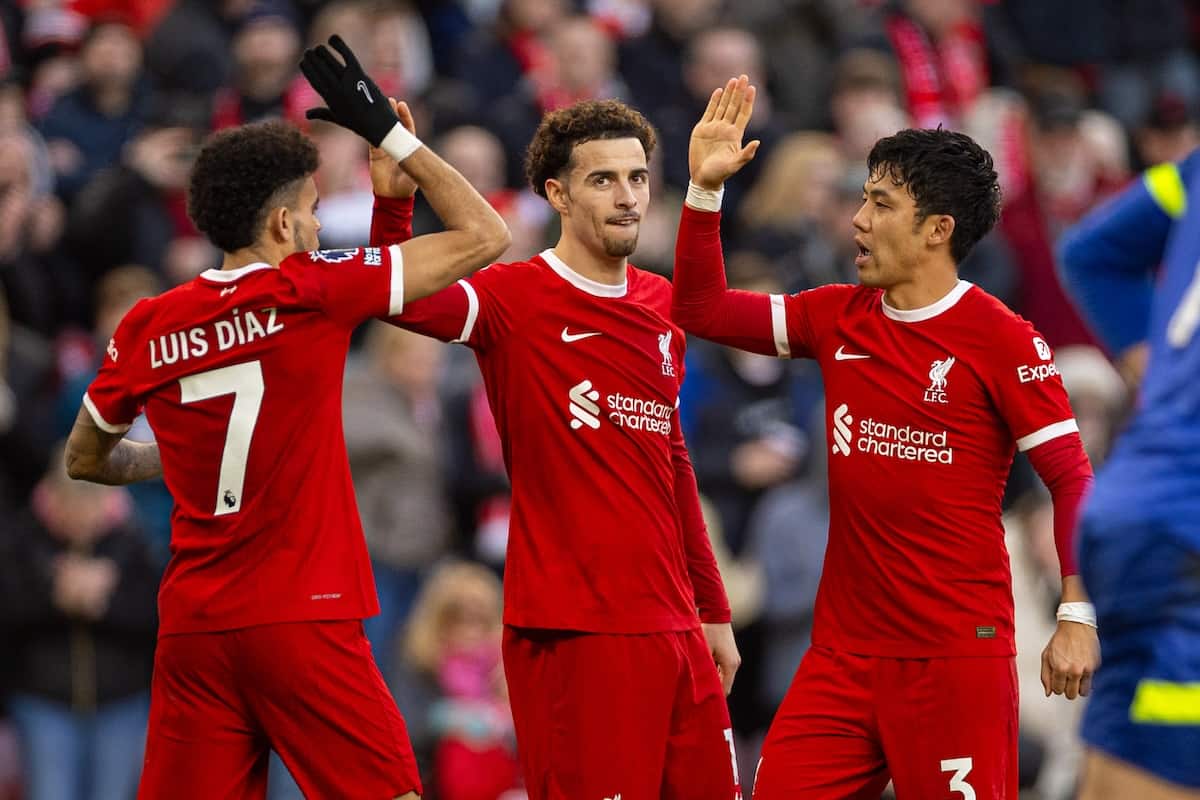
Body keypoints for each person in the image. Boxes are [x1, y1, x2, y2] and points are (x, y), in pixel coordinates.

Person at [63, 36, 509, 800]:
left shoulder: (146, 323)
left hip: (196, 628)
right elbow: (486, 236)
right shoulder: (309, 289)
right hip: (304, 614)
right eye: (307, 210)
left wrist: (171, 455)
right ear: (279, 226)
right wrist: (394, 139)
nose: (312, 224)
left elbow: (85, 460)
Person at [671, 76, 1098, 799]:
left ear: (938, 229)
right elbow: (702, 307)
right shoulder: (836, 315)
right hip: (841, 655)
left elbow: (1071, 478)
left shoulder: (1003, 339)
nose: (858, 221)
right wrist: (705, 192)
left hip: (953, 658)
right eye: (863, 200)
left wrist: (1075, 613)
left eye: (881, 203)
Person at [367, 97, 740, 798]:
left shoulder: (664, 306)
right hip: (575, 628)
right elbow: (398, 298)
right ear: (557, 194)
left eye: (637, 177)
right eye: (604, 180)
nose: (628, 197)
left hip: (676, 625)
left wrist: (712, 611)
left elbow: (674, 465)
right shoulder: (514, 298)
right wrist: (394, 207)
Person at [1058, 150, 1200, 799]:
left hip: (1136, 498)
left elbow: (1093, 252)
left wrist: (1163, 384)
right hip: (1184, 524)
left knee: (1119, 761)